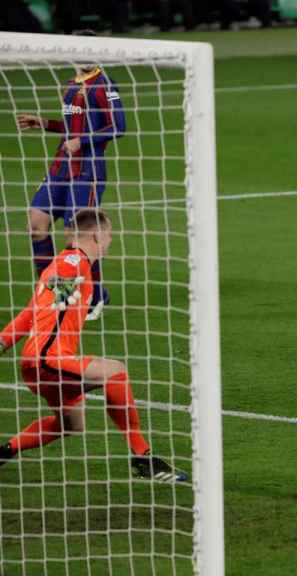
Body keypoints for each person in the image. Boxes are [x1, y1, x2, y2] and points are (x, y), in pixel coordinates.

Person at [0, 210, 186, 482]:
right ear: (97, 234)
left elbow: (31, 312)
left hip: (40, 363)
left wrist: (3, 341)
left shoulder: (70, 265)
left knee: (71, 424)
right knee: (116, 371)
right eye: (109, 235)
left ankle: (5, 451)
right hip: (48, 360)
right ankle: (143, 457)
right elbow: (41, 308)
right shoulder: (72, 264)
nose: (110, 241)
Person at [16, 43, 125, 321]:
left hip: (87, 170)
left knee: (80, 234)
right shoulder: (71, 84)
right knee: (36, 225)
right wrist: (43, 123)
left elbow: (118, 127)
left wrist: (83, 141)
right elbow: (71, 128)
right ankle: (56, 293)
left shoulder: (105, 84)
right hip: (60, 166)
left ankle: (96, 297)